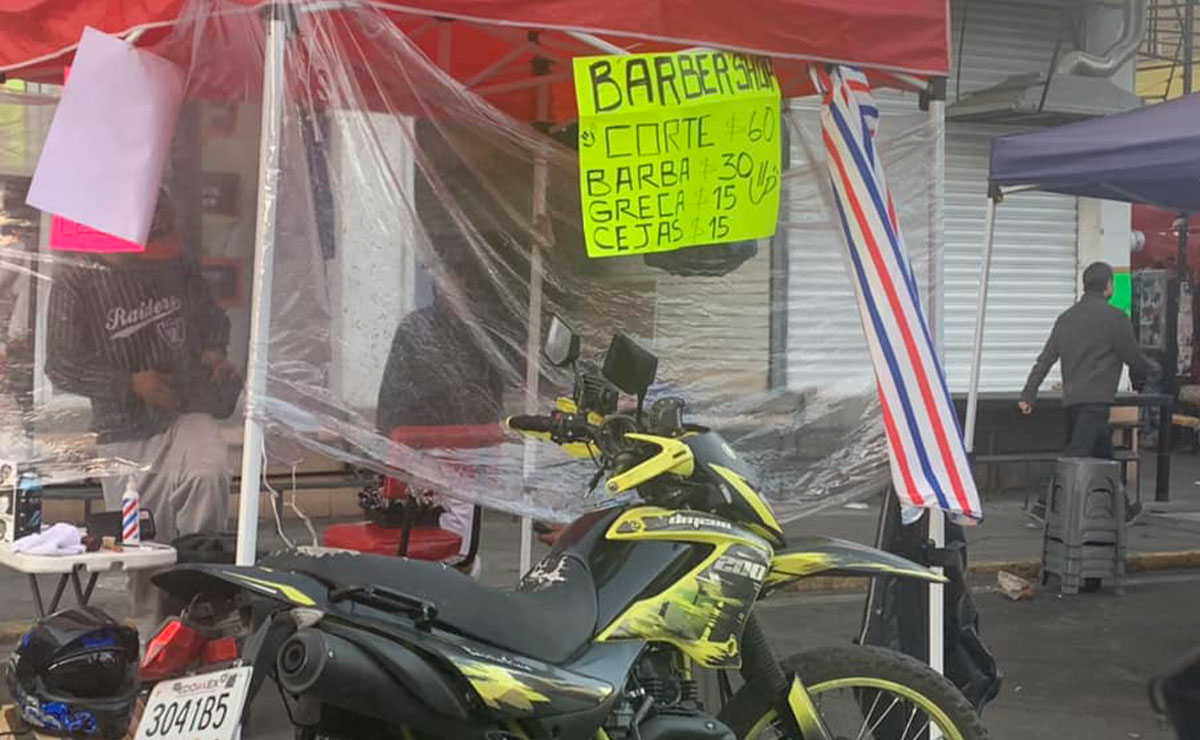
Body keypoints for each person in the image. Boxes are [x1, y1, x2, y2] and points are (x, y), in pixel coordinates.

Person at [45, 193, 238, 636]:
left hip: (186, 410)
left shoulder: (173, 262)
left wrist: (213, 351)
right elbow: (61, 364)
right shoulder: (77, 278)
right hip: (123, 431)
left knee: (207, 475)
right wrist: (131, 383)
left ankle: (202, 602)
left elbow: (211, 317)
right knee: (145, 547)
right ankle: (160, 650)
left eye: (163, 228)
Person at [1020, 261, 1157, 459]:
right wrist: (1154, 370)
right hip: (1097, 402)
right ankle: (1067, 490)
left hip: (1071, 402)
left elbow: (1045, 360)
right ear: (1108, 285)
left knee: (1101, 459)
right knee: (1079, 460)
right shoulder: (1116, 318)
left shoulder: (1066, 318)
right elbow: (1133, 357)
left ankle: (1110, 490)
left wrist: (1028, 394)